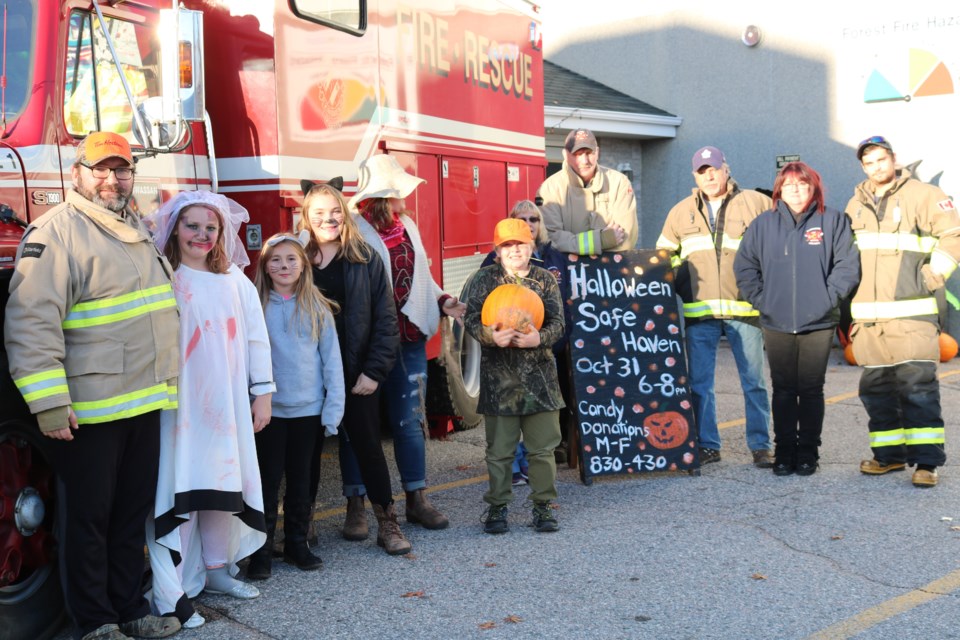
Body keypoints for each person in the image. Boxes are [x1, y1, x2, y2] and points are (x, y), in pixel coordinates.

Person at [3, 132, 181, 640]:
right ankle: (96, 623)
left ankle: (131, 611)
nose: (112, 179)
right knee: (89, 522)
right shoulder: (58, 232)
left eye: (121, 169)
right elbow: (31, 323)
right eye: (100, 169)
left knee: (128, 518)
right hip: (89, 410)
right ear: (77, 173)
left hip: (142, 402)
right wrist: (50, 404)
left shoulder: (133, 228)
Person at [145, 191, 274, 629]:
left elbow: (256, 338)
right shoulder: (164, 276)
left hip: (226, 403)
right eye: (191, 225)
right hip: (177, 406)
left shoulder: (235, 280)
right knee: (182, 488)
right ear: (174, 229)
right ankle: (174, 588)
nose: (200, 234)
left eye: (210, 227)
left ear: (222, 234)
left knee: (221, 487)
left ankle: (218, 570)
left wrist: (263, 392)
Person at [337, 154, 464, 535]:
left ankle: (416, 499)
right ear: (382, 198)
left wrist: (443, 301)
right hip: (369, 345)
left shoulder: (406, 225)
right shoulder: (353, 230)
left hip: (408, 340)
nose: (404, 201)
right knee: (360, 428)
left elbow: (422, 275)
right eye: (397, 195)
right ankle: (356, 504)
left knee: (410, 423)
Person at [297, 180, 412, 555]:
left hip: (356, 372)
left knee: (368, 448)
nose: (328, 219)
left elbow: (386, 320)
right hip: (307, 376)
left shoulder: (365, 257)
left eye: (334, 212)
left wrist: (374, 372)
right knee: (306, 453)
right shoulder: (295, 259)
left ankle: (388, 524)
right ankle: (302, 526)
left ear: (344, 214)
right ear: (306, 218)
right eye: (319, 214)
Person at [845, 136, 960, 488]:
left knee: (918, 389)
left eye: (882, 159)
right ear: (863, 167)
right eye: (869, 162)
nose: (876, 167)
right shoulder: (855, 204)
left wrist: (933, 275)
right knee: (876, 391)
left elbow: (953, 234)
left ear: (894, 160)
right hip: (870, 321)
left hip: (912, 313)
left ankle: (927, 463)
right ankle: (889, 457)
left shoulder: (923, 195)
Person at [734, 162, 860, 476]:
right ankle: (784, 451)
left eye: (802, 184)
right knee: (784, 390)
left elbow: (847, 267)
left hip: (818, 322)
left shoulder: (833, 221)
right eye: (788, 184)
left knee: (812, 389)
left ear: (813, 187)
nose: (795, 189)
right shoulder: (763, 224)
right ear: (779, 190)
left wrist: (827, 300)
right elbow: (745, 268)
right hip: (776, 322)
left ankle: (808, 454)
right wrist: (765, 302)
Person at [656, 146, 774, 467]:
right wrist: (683, 286)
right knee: (700, 385)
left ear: (726, 169)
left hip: (745, 310)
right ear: (695, 176)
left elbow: (775, 251)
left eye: (714, 169)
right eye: (702, 171)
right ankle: (708, 444)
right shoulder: (680, 212)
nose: (709, 176)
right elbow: (665, 257)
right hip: (700, 312)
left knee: (754, 383)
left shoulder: (757, 204)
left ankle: (760, 445)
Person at [247, 231, 345, 579]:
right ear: (265, 266)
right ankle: (260, 552)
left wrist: (333, 408)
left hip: (308, 411)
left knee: (302, 480)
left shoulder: (317, 307)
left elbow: (331, 361)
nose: (284, 266)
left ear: (304, 266)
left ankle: (296, 544)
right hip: (269, 412)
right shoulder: (255, 306)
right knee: (267, 482)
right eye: (276, 260)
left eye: (291, 259)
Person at [463, 218, 565, 534]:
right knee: (499, 452)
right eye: (507, 245)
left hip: (540, 381)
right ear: (498, 249)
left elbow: (559, 323)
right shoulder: (483, 279)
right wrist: (488, 335)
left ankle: (543, 506)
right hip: (499, 381)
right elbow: (468, 321)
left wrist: (539, 338)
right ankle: (497, 507)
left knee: (542, 451)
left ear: (531, 245)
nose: (515, 250)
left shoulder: (545, 279)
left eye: (520, 243)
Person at [480, 199, 574, 472]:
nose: (528, 224)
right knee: (510, 413)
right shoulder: (495, 259)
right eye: (521, 219)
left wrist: (554, 341)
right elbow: (482, 306)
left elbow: (564, 306)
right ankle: (513, 466)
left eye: (533, 219)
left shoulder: (554, 257)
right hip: (506, 354)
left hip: (544, 351)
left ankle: (534, 464)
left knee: (538, 413)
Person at [537, 128, 638, 254]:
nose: (584, 161)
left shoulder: (619, 183)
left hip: (610, 271)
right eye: (577, 154)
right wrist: (601, 240)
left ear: (597, 152)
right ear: (565, 154)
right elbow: (550, 239)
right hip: (566, 272)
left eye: (589, 153)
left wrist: (571, 245)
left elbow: (626, 239)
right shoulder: (549, 188)